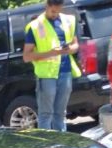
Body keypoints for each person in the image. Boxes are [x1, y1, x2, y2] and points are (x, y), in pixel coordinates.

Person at [22, 0, 81, 131]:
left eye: (58, 11)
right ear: (46, 6)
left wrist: (69, 49)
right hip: (46, 75)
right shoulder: (35, 26)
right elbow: (26, 56)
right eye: (53, 11)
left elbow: (75, 45)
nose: (55, 14)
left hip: (65, 72)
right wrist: (52, 52)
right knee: (46, 114)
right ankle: (46, 147)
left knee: (60, 114)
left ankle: (61, 146)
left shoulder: (68, 21)